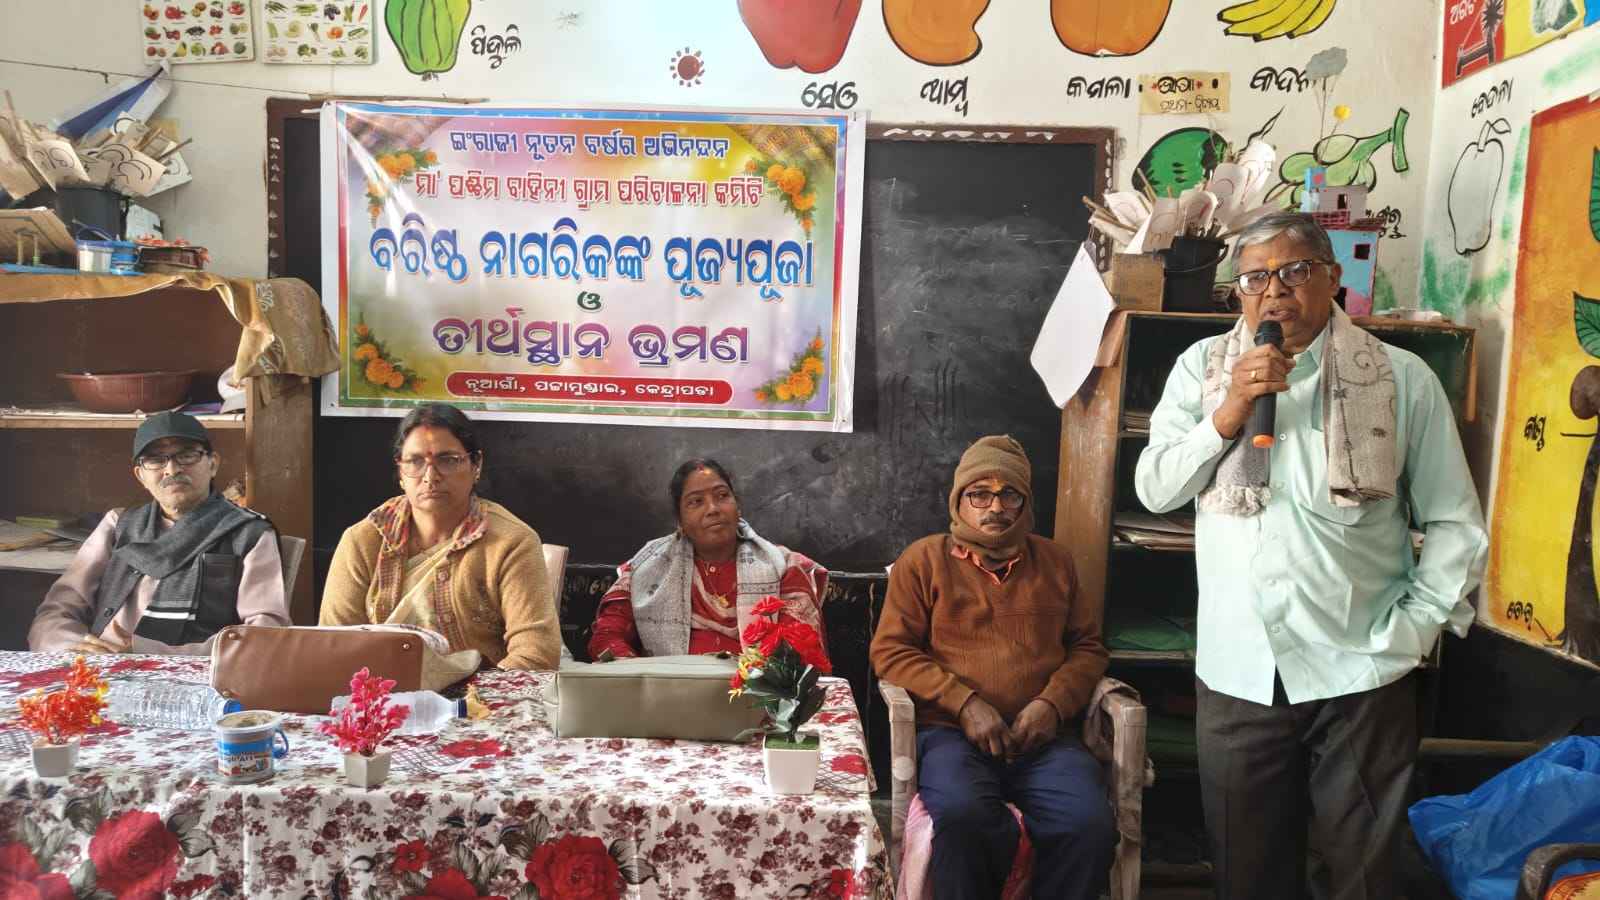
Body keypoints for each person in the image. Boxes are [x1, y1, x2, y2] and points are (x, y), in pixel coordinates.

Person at [1134, 211, 1489, 899]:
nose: (1275, 291)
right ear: (1237, 293)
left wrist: (1414, 630)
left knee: (1363, 876)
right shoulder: (1203, 368)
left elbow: (1455, 523)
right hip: (1237, 670)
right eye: (1255, 278)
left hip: (1361, 668)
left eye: (1295, 271)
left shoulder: (1401, 377)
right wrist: (1230, 410)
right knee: (1246, 874)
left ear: (1332, 278)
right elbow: (1155, 488)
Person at [871, 435, 1115, 900]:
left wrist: (1051, 705)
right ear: (958, 501)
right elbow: (891, 652)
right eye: (979, 494)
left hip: (1043, 740)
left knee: (1088, 825)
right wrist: (965, 704)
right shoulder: (923, 560)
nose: (996, 507)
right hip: (952, 736)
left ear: (1026, 502)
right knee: (963, 817)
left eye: (1010, 495)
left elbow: (1088, 648)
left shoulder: (1056, 562)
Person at [319, 403, 560, 670]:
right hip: (380, 691)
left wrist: (472, 694)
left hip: (480, 692)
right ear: (400, 472)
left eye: (448, 460)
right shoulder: (363, 541)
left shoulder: (511, 542)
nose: (430, 476)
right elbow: (334, 646)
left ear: (476, 465)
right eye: (415, 461)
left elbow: (537, 653)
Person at [29, 412, 288, 655]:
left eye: (187, 455)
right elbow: (56, 611)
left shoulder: (248, 533)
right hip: (101, 667)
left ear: (213, 464)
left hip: (193, 673)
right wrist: (74, 646)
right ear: (140, 475)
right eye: (155, 460)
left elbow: (265, 634)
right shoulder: (118, 525)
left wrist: (147, 653)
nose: (172, 470)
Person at [587, 458, 827, 659]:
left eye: (722, 496)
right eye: (696, 502)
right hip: (668, 693)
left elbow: (801, 647)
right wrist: (642, 679)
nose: (713, 509)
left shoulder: (782, 566)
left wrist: (760, 681)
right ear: (680, 521)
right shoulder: (647, 566)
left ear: (738, 508)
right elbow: (607, 636)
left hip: (756, 694)